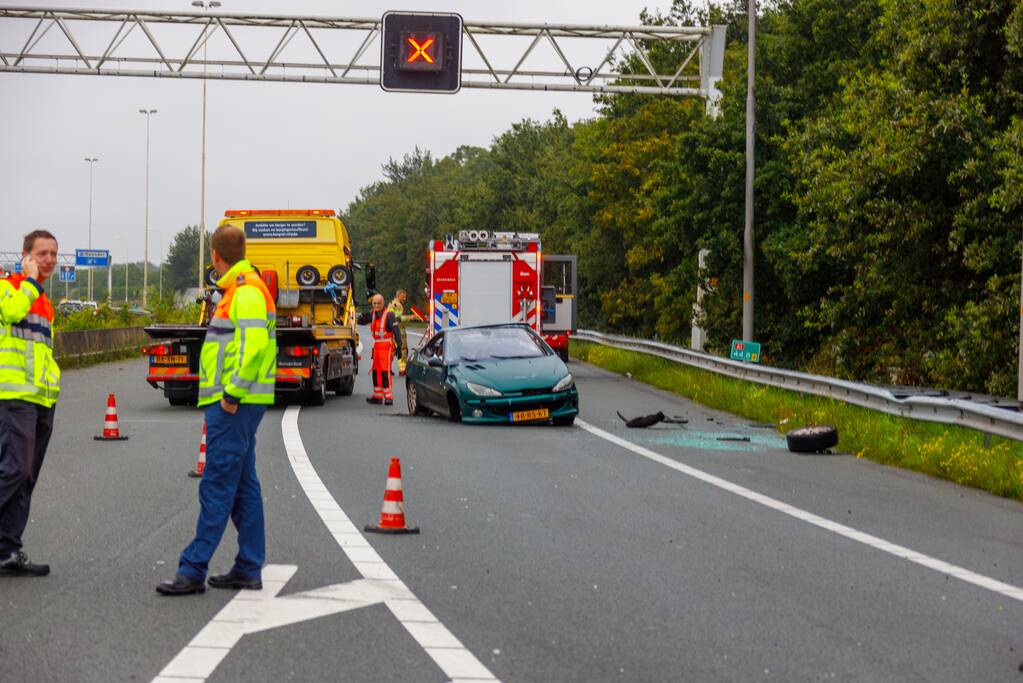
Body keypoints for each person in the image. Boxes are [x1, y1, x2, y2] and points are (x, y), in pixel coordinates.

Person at [157, 225, 277, 596]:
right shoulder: (241, 290)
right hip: (240, 402)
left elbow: (254, 347)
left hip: (235, 404)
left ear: (214, 255)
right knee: (242, 485)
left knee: (217, 483)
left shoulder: (245, 292)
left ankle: (193, 569)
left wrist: (232, 394)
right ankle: (248, 567)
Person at [0, 230, 60, 576]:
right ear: (25, 257)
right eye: (42, 254)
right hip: (13, 395)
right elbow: (9, 313)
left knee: (26, 479)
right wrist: (30, 282)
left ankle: (8, 549)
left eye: (53, 253)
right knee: (14, 470)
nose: (49, 260)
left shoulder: (45, 304)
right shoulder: (10, 287)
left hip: (41, 398)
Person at [358, 293, 402, 405]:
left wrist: (399, 347)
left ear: (383, 303)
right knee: (375, 371)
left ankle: (388, 396)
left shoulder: (389, 315)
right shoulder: (373, 314)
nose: (376, 305)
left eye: (379, 303)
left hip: (387, 346)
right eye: (374, 303)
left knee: (385, 371)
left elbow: (396, 331)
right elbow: (360, 321)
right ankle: (377, 396)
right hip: (377, 346)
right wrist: (360, 317)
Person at [387, 289, 416, 376]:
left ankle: (387, 369)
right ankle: (402, 370)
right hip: (399, 330)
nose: (405, 298)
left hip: (392, 330)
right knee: (402, 349)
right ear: (399, 295)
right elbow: (398, 318)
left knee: (392, 350)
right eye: (403, 296)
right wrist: (410, 317)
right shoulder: (397, 305)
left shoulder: (391, 304)